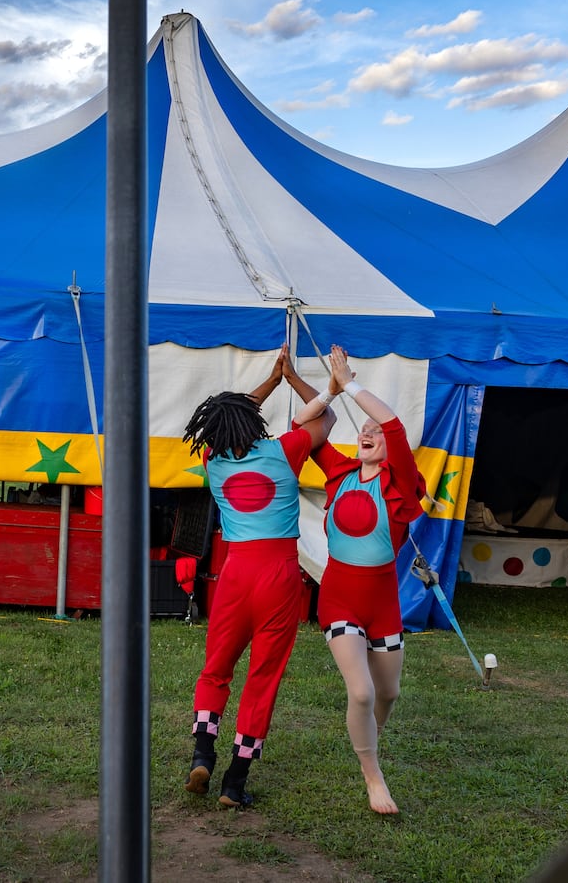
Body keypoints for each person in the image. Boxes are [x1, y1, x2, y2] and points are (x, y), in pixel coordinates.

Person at [182, 345, 335, 809]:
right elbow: (325, 422)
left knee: (216, 668)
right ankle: (234, 782)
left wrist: (265, 384)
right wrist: (288, 379)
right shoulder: (285, 450)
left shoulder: (213, 461)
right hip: (279, 575)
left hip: (234, 574)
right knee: (262, 676)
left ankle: (201, 754)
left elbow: (232, 415)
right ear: (255, 423)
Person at [289, 344, 427, 814]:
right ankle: (373, 777)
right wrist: (330, 390)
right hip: (340, 601)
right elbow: (301, 426)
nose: (368, 431)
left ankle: (365, 739)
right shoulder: (338, 471)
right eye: (362, 430)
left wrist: (351, 386)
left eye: (375, 432)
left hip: (385, 606)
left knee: (388, 693)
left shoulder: (401, 484)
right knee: (363, 691)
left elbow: (392, 423)